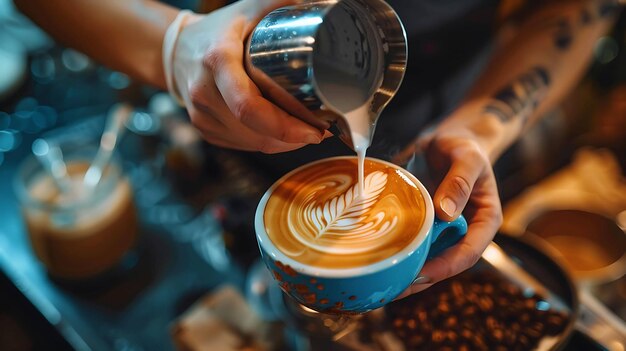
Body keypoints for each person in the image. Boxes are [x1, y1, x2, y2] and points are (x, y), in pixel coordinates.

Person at [14, 0, 621, 298]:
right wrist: (168, 46)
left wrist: (482, 127)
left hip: (457, 126)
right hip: (231, 108)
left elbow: (582, 6)